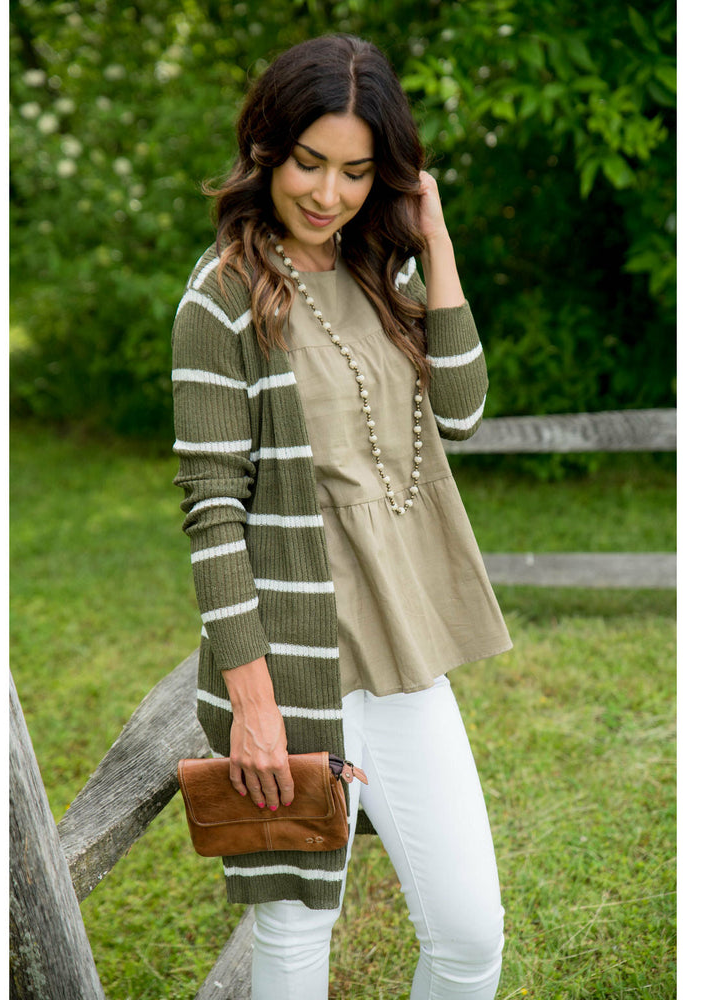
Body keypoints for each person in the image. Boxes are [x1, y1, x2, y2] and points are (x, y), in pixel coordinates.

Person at [170, 34, 513, 1000]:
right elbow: (212, 512)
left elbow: (462, 410)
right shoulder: (222, 297)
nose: (329, 194)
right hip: (292, 663)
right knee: (295, 937)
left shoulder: (379, 271)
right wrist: (254, 710)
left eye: (357, 172)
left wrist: (434, 241)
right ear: (266, 150)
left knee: (469, 933)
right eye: (309, 163)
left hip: (403, 647)